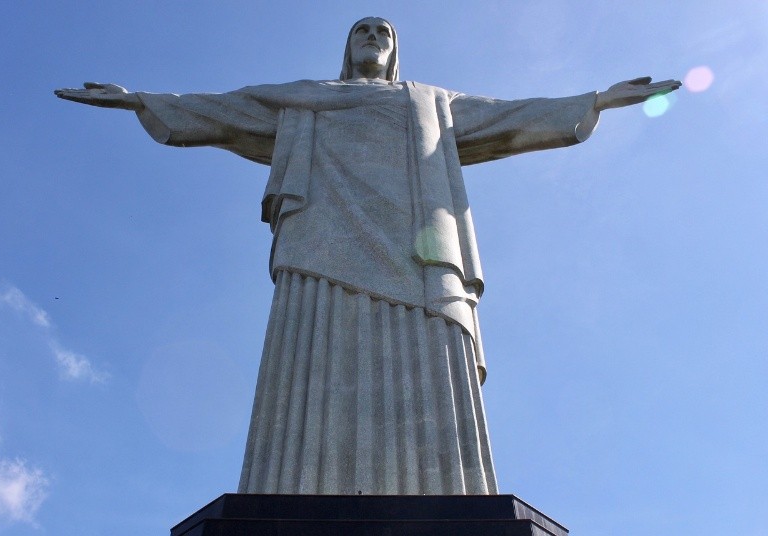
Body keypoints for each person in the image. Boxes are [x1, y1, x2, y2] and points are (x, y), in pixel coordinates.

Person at [56, 17, 680, 495]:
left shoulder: (431, 102)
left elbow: (510, 116)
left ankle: (440, 491)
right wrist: (141, 100)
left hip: (421, 252)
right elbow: (225, 109)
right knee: (314, 350)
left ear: (395, 49)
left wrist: (593, 101)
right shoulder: (304, 96)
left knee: (431, 353)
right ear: (347, 47)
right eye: (362, 29)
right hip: (319, 247)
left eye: (383, 31)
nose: (374, 36)